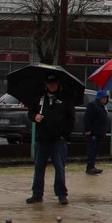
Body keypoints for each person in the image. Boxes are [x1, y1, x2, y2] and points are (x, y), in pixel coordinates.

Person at [26, 73, 76, 206]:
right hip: (41, 138)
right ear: (46, 84)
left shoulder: (65, 98)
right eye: (49, 83)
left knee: (59, 167)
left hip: (58, 140)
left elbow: (71, 118)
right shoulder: (39, 97)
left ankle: (61, 194)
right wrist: (35, 116)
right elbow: (30, 112)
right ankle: (37, 194)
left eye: (54, 83)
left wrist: (64, 135)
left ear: (58, 83)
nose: (51, 85)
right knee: (39, 167)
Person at [83, 89, 109, 174]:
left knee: (95, 150)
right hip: (93, 132)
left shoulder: (102, 106)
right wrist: (87, 130)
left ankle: (92, 166)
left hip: (99, 132)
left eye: (106, 97)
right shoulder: (93, 105)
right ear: (99, 98)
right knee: (92, 150)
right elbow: (87, 118)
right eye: (103, 97)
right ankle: (90, 167)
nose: (104, 99)